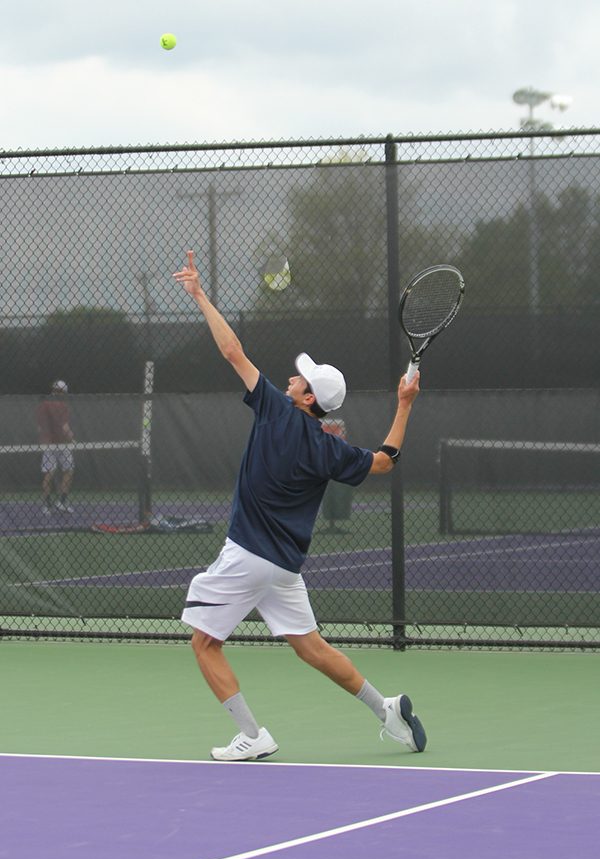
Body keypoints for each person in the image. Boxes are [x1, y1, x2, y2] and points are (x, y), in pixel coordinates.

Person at [173, 250, 426, 762]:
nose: (291, 378)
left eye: (300, 379)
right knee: (311, 648)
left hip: (246, 556)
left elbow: (231, 350)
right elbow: (384, 461)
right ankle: (387, 710)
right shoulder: (329, 446)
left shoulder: (273, 409)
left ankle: (252, 734)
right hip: (285, 568)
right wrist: (404, 405)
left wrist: (200, 295)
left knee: (204, 642)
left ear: (308, 398)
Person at [36, 379, 75, 514]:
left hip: (48, 444)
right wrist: (71, 437)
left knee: (49, 473)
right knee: (68, 470)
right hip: (63, 443)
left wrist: (44, 438)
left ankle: (47, 505)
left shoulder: (43, 404)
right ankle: (61, 502)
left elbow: (39, 427)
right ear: (63, 392)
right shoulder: (63, 406)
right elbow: (64, 427)